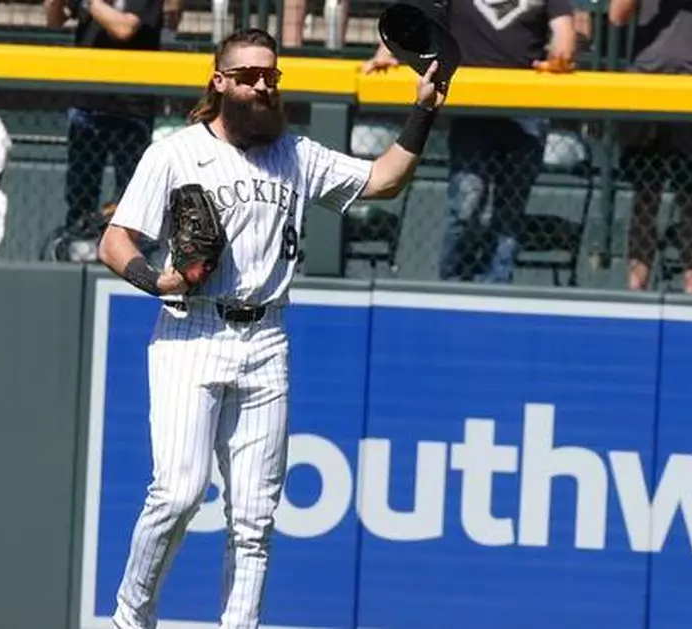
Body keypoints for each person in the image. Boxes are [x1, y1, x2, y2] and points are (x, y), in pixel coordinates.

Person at [96, 27, 446, 629]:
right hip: (192, 332)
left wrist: (422, 111)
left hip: (265, 340)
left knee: (254, 517)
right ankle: (131, 616)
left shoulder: (295, 154)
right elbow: (114, 240)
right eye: (251, 75)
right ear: (220, 81)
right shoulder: (174, 153)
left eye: (272, 76)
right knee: (178, 494)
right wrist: (154, 281)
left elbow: (384, 181)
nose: (264, 85)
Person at [363, 0, 575, 283]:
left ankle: (497, 289)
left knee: (510, 211)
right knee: (466, 203)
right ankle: (452, 283)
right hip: (471, 106)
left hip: (527, 107)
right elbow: (413, 16)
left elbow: (564, 31)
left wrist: (561, 56)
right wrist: (387, 52)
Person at [608, 0, 692, 293]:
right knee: (644, 196)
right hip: (645, 85)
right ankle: (636, 286)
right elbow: (616, 16)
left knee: (691, 198)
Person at [43, 0, 163, 241]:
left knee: (130, 198)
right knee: (80, 195)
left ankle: (128, 257)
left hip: (130, 108)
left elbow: (124, 29)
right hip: (87, 104)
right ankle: (77, 248)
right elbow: (54, 20)